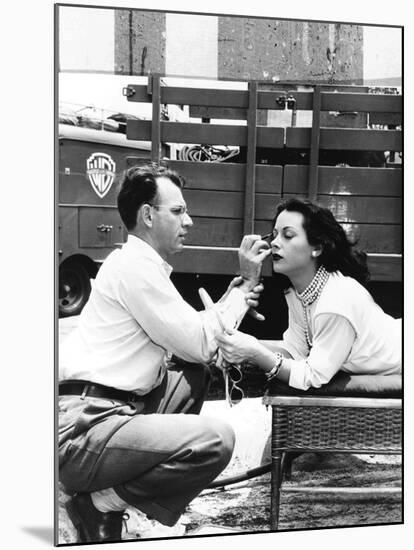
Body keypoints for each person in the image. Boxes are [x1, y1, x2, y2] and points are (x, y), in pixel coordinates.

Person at [58, 163, 270, 543]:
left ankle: (120, 501)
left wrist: (233, 296)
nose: (188, 221)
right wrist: (242, 290)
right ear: (147, 215)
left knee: (192, 376)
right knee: (215, 440)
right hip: (85, 430)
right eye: (178, 211)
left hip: (108, 412)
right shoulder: (137, 269)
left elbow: (194, 338)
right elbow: (202, 343)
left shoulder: (139, 265)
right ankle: (101, 503)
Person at [216, 198, 401, 391]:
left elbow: (312, 376)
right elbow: (295, 351)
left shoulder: (336, 301)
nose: (275, 244)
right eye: (274, 235)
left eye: (288, 236)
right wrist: (244, 343)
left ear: (318, 248)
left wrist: (253, 351)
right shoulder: (298, 291)